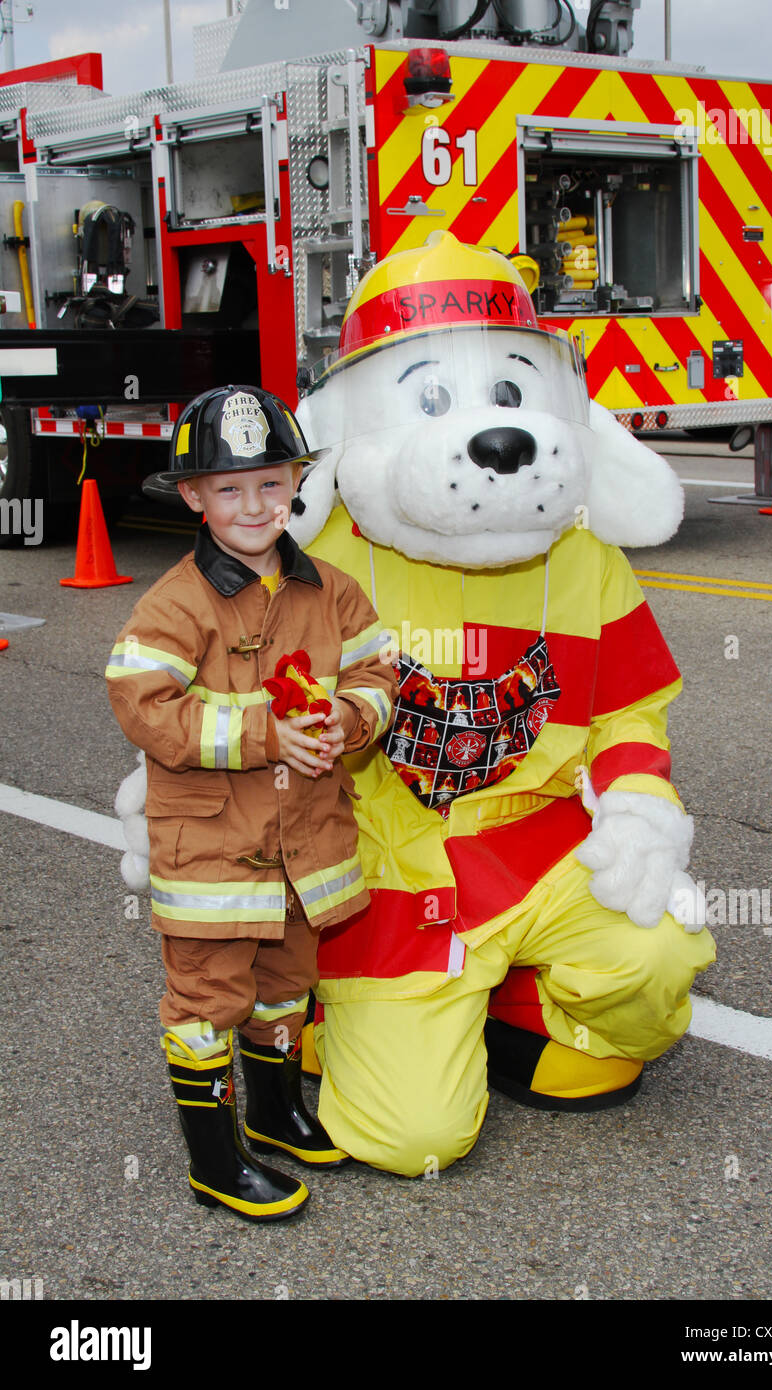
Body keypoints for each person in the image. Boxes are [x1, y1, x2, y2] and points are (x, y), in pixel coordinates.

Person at [106, 384, 397, 1221]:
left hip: (304, 850)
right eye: (229, 490)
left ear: (298, 481)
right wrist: (270, 730)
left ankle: (273, 1113)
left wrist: (345, 719)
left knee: (283, 989)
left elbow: (379, 677)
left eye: (272, 483)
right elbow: (142, 702)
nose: (254, 506)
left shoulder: (332, 591)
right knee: (208, 1004)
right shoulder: (175, 602)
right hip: (211, 859)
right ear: (193, 498)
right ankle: (215, 1165)